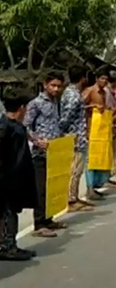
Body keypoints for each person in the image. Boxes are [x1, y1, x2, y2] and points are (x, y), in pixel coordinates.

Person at [24, 72, 67, 238]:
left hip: (55, 151)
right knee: (40, 189)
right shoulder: (36, 103)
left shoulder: (57, 102)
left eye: (58, 86)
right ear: (45, 85)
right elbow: (26, 125)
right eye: (53, 85)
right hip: (40, 153)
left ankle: (49, 219)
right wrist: (37, 141)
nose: (56, 89)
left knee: (52, 186)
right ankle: (39, 223)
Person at [0, 90, 38, 260]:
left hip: (10, 177)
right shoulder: (10, 129)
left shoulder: (9, 125)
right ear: (22, 108)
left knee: (8, 211)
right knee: (8, 213)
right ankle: (7, 247)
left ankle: (8, 244)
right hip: (9, 178)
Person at [59, 66, 94, 212]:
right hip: (75, 136)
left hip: (76, 135)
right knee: (75, 169)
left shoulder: (70, 92)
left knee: (77, 169)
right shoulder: (73, 95)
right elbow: (66, 117)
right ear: (83, 78)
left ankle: (74, 196)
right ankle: (71, 199)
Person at [83, 69, 115, 197]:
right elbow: (79, 107)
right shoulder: (90, 91)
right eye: (102, 78)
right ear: (96, 78)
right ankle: (89, 188)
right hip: (91, 130)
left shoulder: (106, 92)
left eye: (106, 79)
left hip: (103, 130)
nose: (104, 81)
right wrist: (93, 106)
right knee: (91, 160)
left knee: (101, 158)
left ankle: (96, 185)